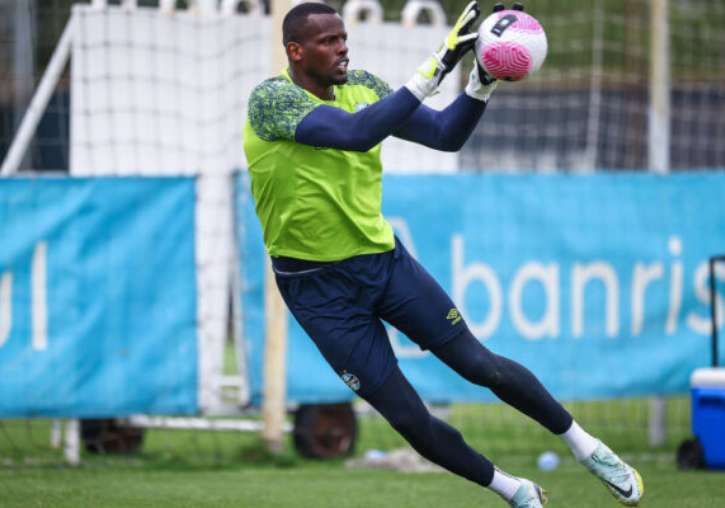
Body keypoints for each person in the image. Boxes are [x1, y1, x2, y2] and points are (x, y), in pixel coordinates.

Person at [242, 2, 644, 507]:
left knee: (480, 364)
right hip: (315, 289)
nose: (342, 47)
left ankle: (587, 449)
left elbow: (444, 135)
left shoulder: (364, 85)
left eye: (343, 37)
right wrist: (438, 63)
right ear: (295, 51)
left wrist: (481, 78)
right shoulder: (271, 101)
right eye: (327, 41)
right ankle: (514, 490)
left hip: (383, 263)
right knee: (408, 417)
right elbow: (354, 133)